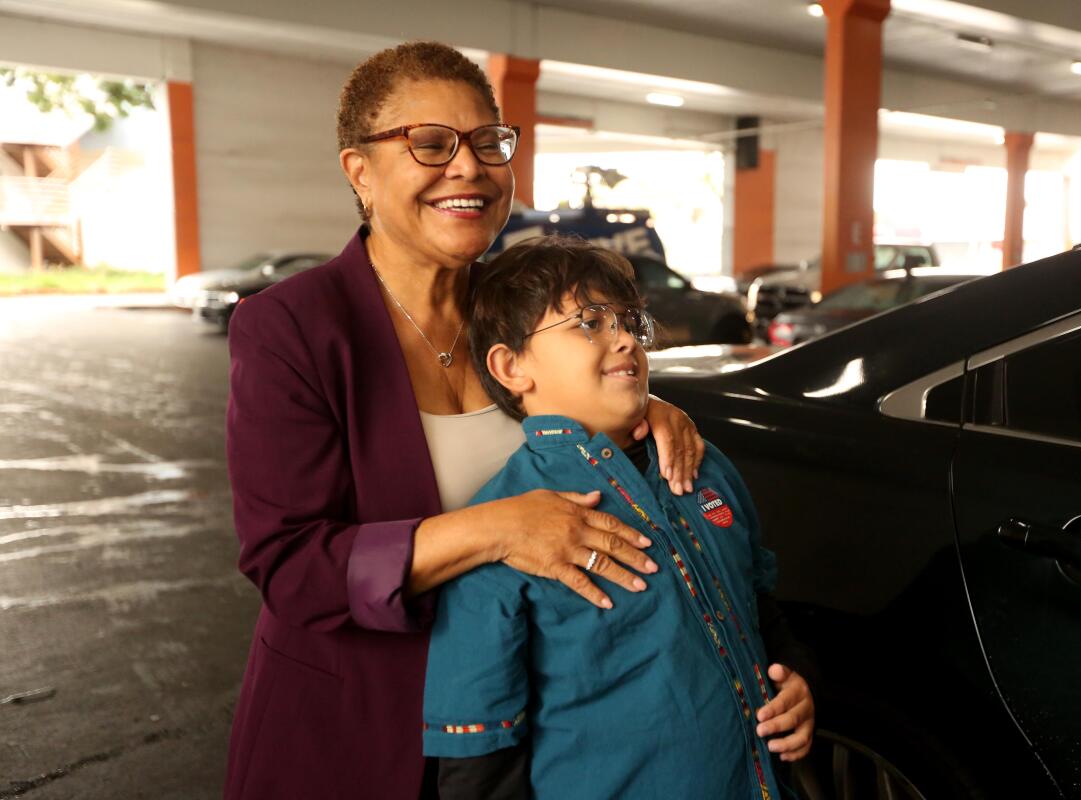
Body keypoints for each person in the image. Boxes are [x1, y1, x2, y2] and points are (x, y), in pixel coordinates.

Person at [223, 42, 706, 800]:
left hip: (532, 737)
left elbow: (582, 407)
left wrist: (647, 409)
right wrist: (501, 528)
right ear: (359, 170)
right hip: (355, 732)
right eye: (430, 143)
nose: (469, 168)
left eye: (488, 142)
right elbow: (292, 566)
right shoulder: (292, 327)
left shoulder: (522, 310)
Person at [422, 237, 816, 799]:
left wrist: (799, 682)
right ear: (511, 366)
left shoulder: (703, 467)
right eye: (589, 323)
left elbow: (763, 612)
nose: (625, 338)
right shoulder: (501, 529)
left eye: (628, 320)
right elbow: (478, 757)